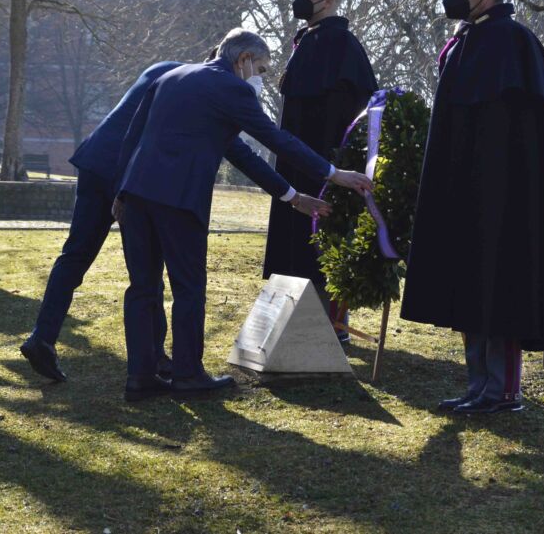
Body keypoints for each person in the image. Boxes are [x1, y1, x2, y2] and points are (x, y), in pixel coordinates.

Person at [113, 28, 373, 402]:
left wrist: (291, 196)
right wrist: (334, 174)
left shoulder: (171, 77)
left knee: (142, 288)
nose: (261, 78)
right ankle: (187, 375)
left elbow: (136, 136)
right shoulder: (231, 89)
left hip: (136, 195)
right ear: (244, 60)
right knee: (188, 288)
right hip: (179, 200)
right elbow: (277, 140)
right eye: (262, 69)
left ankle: (140, 377)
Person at [400, 0, 544, 414]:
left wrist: (503, 188)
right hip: (465, 189)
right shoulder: (464, 41)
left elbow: (531, 129)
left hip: (504, 196)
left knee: (500, 284)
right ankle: (477, 384)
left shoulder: (512, 41)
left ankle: (503, 390)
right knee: (468, 281)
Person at [20, 61, 184, 383]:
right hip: (128, 175)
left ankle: (42, 336)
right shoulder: (193, 88)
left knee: (74, 256)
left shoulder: (160, 68)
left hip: (95, 160)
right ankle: (157, 357)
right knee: (148, 270)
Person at [262, 0, 378, 341]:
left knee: (324, 240)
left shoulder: (342, 45)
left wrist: (339, 165)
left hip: (326, 166)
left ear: (327, 2)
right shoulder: (304, 40)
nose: (301, 1)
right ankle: (293, 314)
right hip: (295, 163)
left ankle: (332, 322)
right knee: (293, 238)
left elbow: (356, 113)